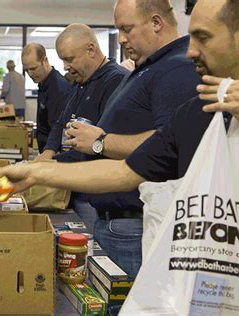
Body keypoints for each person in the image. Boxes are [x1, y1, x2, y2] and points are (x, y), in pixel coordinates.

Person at [0, 0, 239, 276]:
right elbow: (123, 170)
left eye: (203, 37)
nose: (191, 51)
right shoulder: (197, 110)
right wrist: (36, 173)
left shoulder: (177, 74)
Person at [56, 0, 201, 277]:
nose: (121, 39)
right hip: (117, 223)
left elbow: (170, 142)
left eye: (127, 29)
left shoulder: (176, 69)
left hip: (133, 226)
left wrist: (101, 142)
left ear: (156, 23)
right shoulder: (148, 67)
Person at [37, 23, 128, 232]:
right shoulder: (80, 81)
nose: (66, 67)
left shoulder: (116, 81)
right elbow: (61, 123)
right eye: (62, 60)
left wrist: (50, 164)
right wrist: (48, 153)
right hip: (74, 186)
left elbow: (101, 146)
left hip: (96, 196)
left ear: (91, 50)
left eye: (69, 59)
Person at [21, 43, 71, 152]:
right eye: (26, 70)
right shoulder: (43, 83)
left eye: (33, 68)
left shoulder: (57, 88)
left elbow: (58, 129)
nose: (30, 74)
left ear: (45, 61)